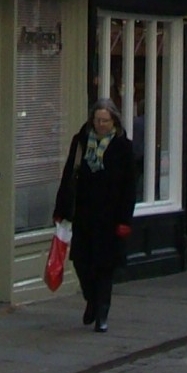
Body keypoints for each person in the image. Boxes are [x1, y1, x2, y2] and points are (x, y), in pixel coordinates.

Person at [53, 100, 137, 332]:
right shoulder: (80, 142)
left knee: (104, 267)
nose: (100, 125)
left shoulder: (123, 147)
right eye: (97, 120)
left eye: (105, 121)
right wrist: (61, 210)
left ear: (114, 122)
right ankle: (91, 298)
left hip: (110, 216)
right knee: (82, 262)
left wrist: (124, 220)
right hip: (84, 213)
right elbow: (69, 175)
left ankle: (102, 313)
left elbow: (130, 186)